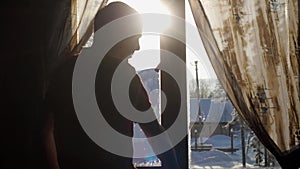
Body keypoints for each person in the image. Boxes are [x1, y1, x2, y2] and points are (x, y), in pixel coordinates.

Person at [43, 2, 180, 169]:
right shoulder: (124, 77)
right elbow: (154, 133)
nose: (137, 47)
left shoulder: (66, 71)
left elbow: (44, 130)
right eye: (135, 38)